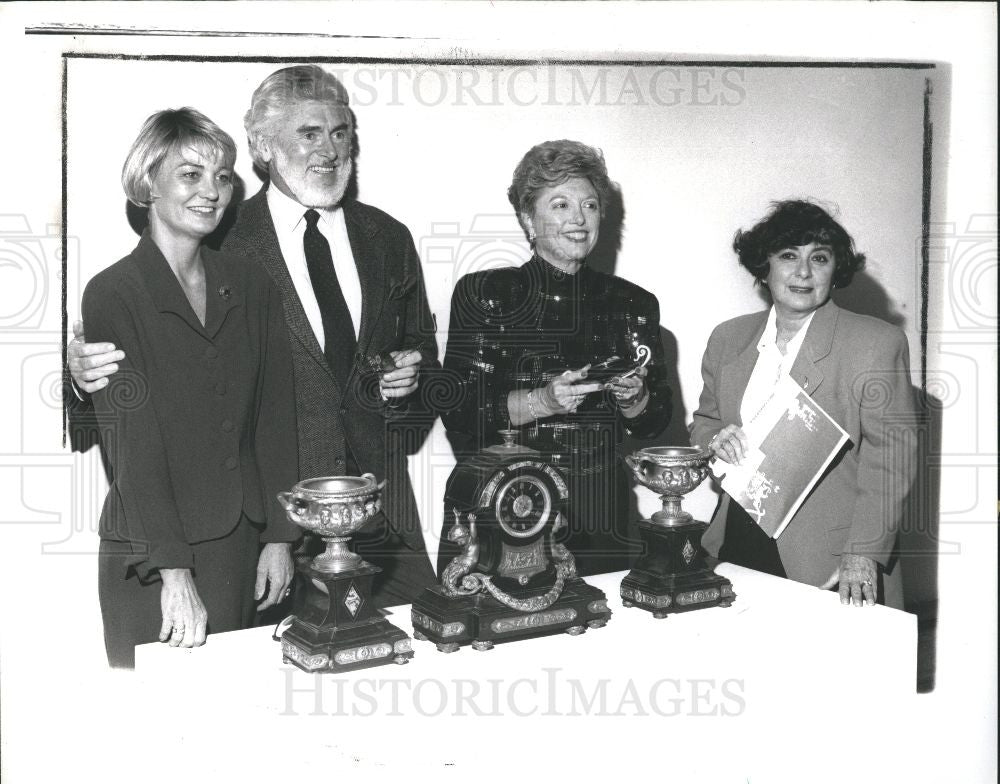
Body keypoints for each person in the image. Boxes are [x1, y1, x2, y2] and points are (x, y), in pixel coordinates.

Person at [69, 65, 441, 608]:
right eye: (309, 133)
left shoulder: (388, 237)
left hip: (381, 510)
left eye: (340, 133)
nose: (330, 150)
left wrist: (414, 375)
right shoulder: (218, 237)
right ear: (263, 147)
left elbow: (422, 355)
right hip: (275, 524)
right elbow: (147, 388)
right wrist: (82, 378)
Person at [82, 108, 300, 668]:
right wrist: (174, 573)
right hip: (154, 551)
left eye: (223, 176)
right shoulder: (113, 293)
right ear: (146, 184)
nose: (212, 191)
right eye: (191, 174)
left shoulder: (252, 285)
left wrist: (280, 536)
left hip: (242, 546)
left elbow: (276, 418)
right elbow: (133, 444)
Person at [438, 140, 671, 577]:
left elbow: (655, 421)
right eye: (560, 204)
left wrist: (633, 398)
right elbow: (457, 410)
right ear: (529, 219)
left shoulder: (632, 303)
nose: (579, 218)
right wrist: (541, 401)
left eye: (589, 204)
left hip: (600, 509)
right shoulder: (485, 293)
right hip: (509, 499)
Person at [690, 199, 917, 608]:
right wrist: (715, 439)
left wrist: (862, 552)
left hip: (831, 556)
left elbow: (893, 460)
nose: (803, 272)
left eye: (820, 258)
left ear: (836, 270)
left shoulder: (876, 344)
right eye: (789, 256)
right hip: (739, 535)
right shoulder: (727, 339)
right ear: (766, 265)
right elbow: (705, 421)